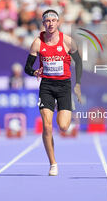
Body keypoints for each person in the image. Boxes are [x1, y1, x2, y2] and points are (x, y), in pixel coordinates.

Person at [24, 9, 82, 176]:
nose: (50, 23)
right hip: (47, 86)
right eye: (47, 21)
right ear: (43, 24)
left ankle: (61, 108)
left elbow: (78, 64)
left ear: (58, 22)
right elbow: (27, 67)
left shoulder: (68, 42)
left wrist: (77, 84)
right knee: (47, 126)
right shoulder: (37, 42)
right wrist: (35, 72)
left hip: (64, 86)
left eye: (53, 20)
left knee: (63, 126)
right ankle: (53, 163)